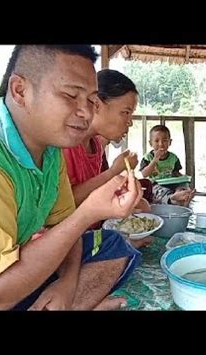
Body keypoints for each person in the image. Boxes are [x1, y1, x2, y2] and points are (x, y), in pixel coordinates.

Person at [0, 45, 143, 311]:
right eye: (72, 95)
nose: (86, 112)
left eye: (92, 100)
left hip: (15, 268)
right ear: (20, 90)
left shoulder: (50, 151)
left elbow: (63, 225)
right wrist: (87, 213)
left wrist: (67, 284)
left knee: (114, 245)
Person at [62, 69, 151, 248]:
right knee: (122, 248)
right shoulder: (67, 145)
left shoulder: (95, 146)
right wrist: (113, 172)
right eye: (125, 112)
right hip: (69, 236)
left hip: (94, 228)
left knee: (143, 205)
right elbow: (67, 202)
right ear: (96, 105)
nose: (130, 121)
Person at [140, 125, 195, 206]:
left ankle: (182, 196)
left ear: (170, 142)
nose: (161, 144)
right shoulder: (148, 157)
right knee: (159, 191)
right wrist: (155, 159)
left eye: (165, 140)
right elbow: (144, 174)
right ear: (150, 143)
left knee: (183, 186)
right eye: (156, 141)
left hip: (171, 183)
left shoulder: (173, 158)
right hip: (155, 184)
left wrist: (183, 178)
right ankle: (172, 198)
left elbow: (176, 172)